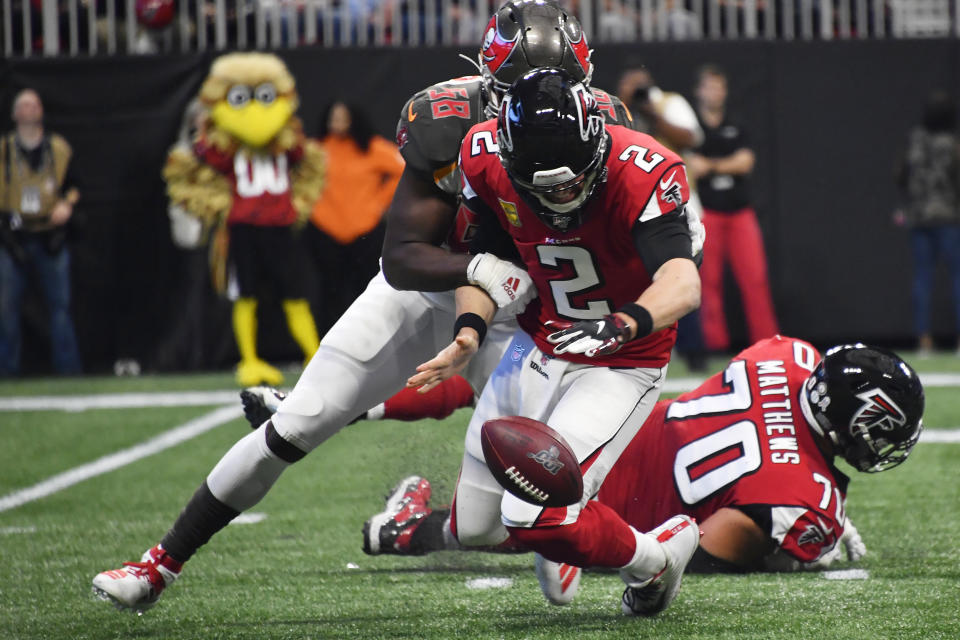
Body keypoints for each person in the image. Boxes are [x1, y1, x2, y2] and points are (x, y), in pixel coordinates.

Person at [90, 0, 648, 613]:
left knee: (521, 492)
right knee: (298, 421)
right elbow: (405, 253)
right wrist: (480, 267)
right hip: (429, 293)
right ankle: (159, 564)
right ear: (491, 83)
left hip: (524, 320)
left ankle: (588, 546)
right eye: (524, 91)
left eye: (561, 90)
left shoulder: (609, 127)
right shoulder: (448, 121)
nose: (542, 105)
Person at [408, 67, 702, 616]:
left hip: (622, 360)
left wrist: (620, 324)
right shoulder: (484, 154)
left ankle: (658, 559)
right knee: (472, 526)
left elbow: (683, 285)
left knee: (532, 514)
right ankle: (572, 532)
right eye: (542, 187)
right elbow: (484, 265)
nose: (560, 197)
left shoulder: (643, 167)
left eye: (571, 183)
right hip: (539, 344)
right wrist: (469, 331)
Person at [368, 337, 924, 606]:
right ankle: (406, 528)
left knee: (502, 384)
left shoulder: (789, 356)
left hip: (614, 424)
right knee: (510, 527)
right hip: (624, 506)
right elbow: (706, 552)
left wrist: (804, 492)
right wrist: (798, 542)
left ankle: (363, 406)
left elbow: (776, 436)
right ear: (854, 423)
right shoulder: (803, 503)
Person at [618, 65, 708, 370]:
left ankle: (694, 352)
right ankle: (640, 345)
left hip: (673, 202)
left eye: (640, 85)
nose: (636, 92)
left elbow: (692, 138)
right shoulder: (617, 110)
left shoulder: (669, 103)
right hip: (634, 206)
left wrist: (653, 113)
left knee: (680, 272)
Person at [688, 64, 779, 355]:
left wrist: (711, 166)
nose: (715, 93)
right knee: (708, 281)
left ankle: (766, 345)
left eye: (719, 87)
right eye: (709, 87)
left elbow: (745, 162)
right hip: (707, 213)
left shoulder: (736, 123)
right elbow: (690, 166)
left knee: (755, 279)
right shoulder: (690, 128)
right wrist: (722, 165)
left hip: (740, 211)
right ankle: (713, 346)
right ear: (699, 91)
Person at [0, 89, 82, 377]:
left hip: (50, 233)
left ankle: (68, 371)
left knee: (60, 307)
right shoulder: (5, 150)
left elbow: (75, 185)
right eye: (23, 105)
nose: (29, 110)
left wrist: (66, 205)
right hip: (13, 234)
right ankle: (6, 372)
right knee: (6, 309)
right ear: (14, 114)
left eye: (34, 105)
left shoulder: (57, 149)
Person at [305, 100, 404, 336]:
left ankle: (371, 340)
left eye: (342, 117)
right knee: (330, 291)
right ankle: (328, 344)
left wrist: (380, 203)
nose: (337, 122)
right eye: (333, 117)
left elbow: (401, 170)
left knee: (368, 290)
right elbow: (298, 178)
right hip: (324, 231)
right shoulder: (316, 150)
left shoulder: (371, 147)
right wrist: (311, 206)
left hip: (365, 232)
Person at [895, 90, 960, 355]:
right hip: (948, 218)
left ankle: (924, 340)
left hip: (919, 217)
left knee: (922, 279)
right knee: (957, 278)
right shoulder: (953, 144)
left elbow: (900, 175)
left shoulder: (915, 142)